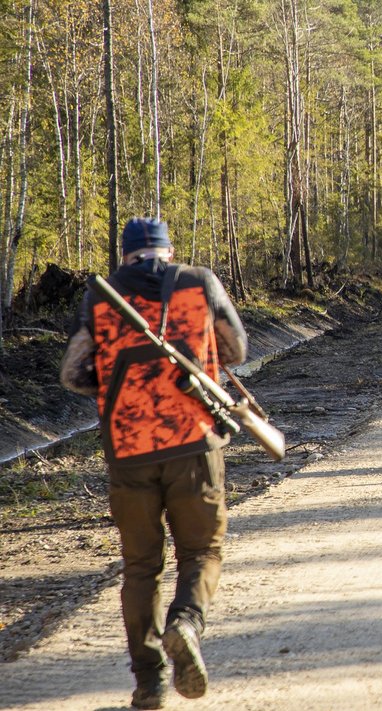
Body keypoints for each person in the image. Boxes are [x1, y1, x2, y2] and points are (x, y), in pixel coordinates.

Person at [59, 218, 247, 709]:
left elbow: (74, 372)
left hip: (127, 451)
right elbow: (236, 349)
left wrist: (120, 391)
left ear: (125, 254)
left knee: (141, 567)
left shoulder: (101, 296)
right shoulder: (198, 281)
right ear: (166, 250)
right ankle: (185, 623)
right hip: (193, 443)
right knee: (202, 551)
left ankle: (149, 684)